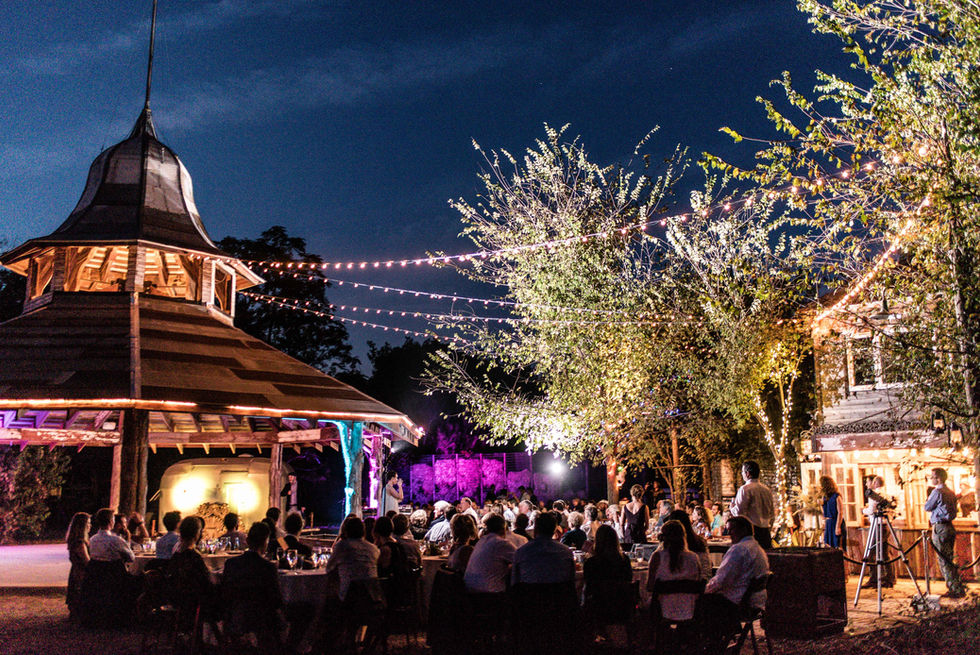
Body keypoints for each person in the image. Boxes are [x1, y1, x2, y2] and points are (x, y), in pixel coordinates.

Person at [702, 516, 770, 651]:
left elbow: (722, 580)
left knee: (700, 603)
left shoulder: (739, 549)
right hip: (755, 602)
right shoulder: (757, 548)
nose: (729, 534)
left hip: (740, 603)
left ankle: (711, 644)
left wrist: (704, 590)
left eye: (732, 530)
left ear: (743, 530)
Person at [221, 521, 285, 646]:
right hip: (262, 619)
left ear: (248, 541)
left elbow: (225, 592)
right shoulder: (268, 567)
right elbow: (276, 600)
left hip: (236, 616)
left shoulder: (231, 564)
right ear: (265, 542)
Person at [647, 520, 702, 622]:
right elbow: (698, 582)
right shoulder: (693, 558)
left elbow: (650, 586)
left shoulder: (658, 557)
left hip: (663, 609)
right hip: (689, 609)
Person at [924, 468, 966, 598]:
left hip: (940, 527)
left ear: (938, 478)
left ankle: (954, 588)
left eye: (932, 476)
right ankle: (956, 585)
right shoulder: (950, 492)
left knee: (943, 559)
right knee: (949, 557)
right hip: (949, 527)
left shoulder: (937, 492)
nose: (931, 478)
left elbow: (927, 507)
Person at [168, 516, 217, 624]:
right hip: (194, 600)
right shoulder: (193, 557)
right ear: (197, 534)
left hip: (178, 597)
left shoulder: (176, 555)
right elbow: (206, 582)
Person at [325, 515, 380, 601]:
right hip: (373, 597)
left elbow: (329, 568)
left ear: (346, 531)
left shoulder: (342, 545)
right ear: (363, 531)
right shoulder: (374, 549)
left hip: (350, 597)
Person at [511, 511, 575, 585]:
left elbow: (514, 583)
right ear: (554, 530)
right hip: (557, 595)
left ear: (535, 529)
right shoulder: (566, 552)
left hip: (529, 595)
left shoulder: (521, 552)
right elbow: (571, 582)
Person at [583, 524, 632, 615]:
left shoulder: (591, 562)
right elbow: (629, 579)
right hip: (621, 604)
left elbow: (588, 585)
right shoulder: (624, 560)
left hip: (598, 605)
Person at [464, 514, 517, 593]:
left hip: (470, 590)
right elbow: (522, 559)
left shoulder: (482, 541)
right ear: (503, 528)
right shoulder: (501, 543)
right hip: (489, 594)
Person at [729, 460, 775, 549]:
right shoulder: (767, 490)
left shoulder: (745, 489)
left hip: (752, 532)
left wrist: (732, 508)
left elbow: (739, 513)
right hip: (765, 532)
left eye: (742, 472)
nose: (742, 474)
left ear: (747, 473)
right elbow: (772, 513)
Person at [862, 475, 894, 588]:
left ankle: (874, 578)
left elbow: (871, 510)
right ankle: (890, 578)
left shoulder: (874, 496)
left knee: (871, 553)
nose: (867, 484)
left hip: (877, 525)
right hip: (885, 525)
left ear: (874, 483)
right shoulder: (886, 495)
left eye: (868, 482)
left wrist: (863, 510)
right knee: (885, 553)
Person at [667, 509, 711, 579]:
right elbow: (706, 570)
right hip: (701, 583)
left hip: (693, 584)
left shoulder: (671, 547)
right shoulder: (699, 542)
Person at [66, 512, 90, 622]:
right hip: (81, 573)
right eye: (88, 523)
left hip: (76, 571)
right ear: (83, 526)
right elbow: (87, 561)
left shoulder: (75, 541)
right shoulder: (80, 543)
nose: (90, 526)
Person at [820, 475, 846, 549]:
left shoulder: (837, 496)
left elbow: (840, 512)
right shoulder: (825, 497)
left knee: (837, 545)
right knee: (827, 545)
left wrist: (838, 527)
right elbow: (824, 512)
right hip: (829, 523)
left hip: (836, 522)